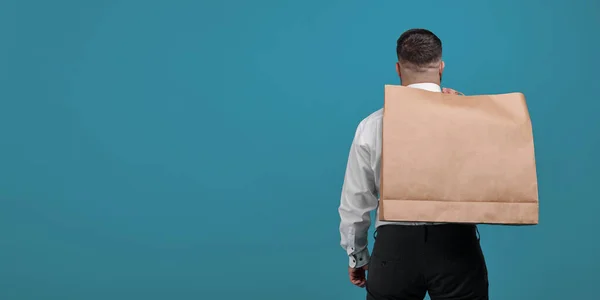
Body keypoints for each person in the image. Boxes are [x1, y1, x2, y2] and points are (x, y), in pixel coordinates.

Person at [338, 28, 488, 300]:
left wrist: (357, 256)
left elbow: (356, 199)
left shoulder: (373, 125)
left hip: (394, 249)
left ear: (398, 69)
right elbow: (496, 174)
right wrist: (474, 116)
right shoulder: (471, 118)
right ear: (441, 67)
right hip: (457, 245)